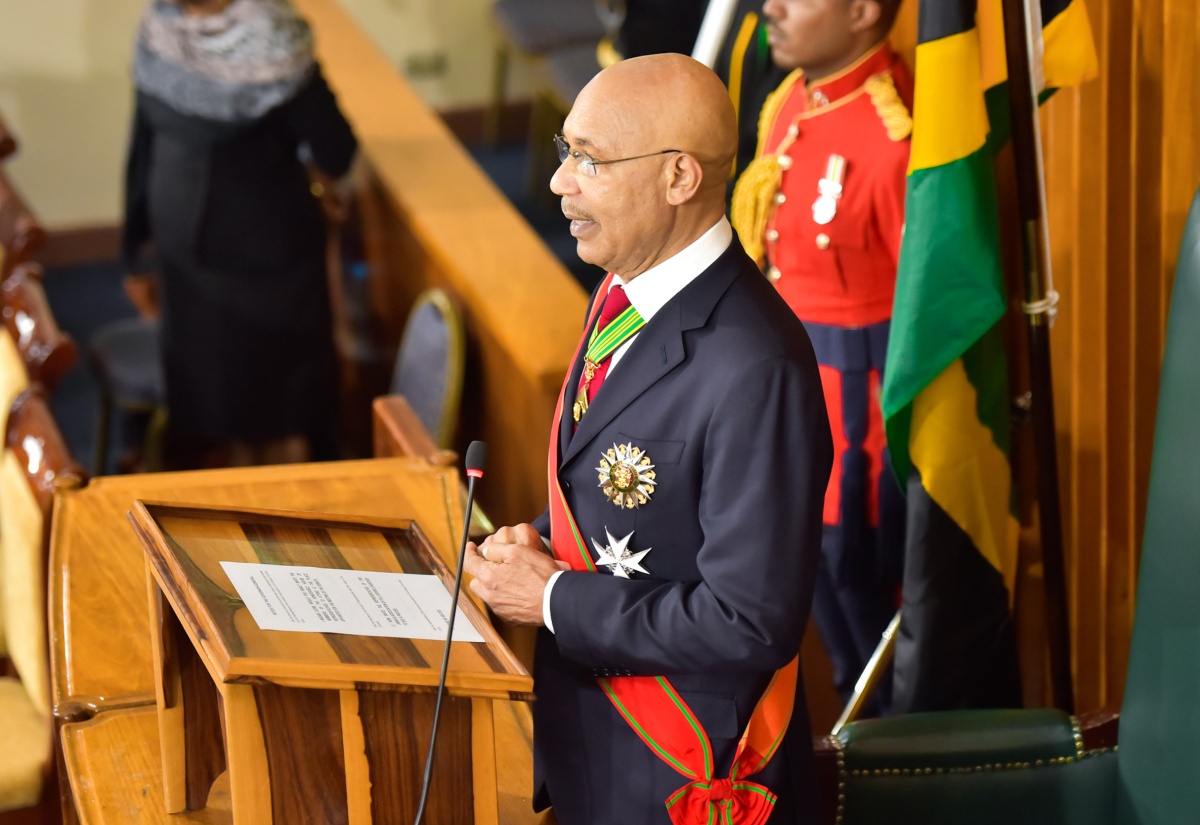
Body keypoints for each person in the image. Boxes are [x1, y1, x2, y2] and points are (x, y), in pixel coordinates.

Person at [463, 53, 833, 825]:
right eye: (567, 152)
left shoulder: (755, 364)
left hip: (684, 772)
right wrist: (530, 543)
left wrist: (553, 597)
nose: (561, 182)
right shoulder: (627, 288)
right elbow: (610, 486)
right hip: (596, 746)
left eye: (590, 161)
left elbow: (750, 621)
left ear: (679, 179)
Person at [730, 0, 910, 712]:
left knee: (862, 589)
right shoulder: (792, 102)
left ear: (863, 11)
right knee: (815, 591)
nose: (768, 7)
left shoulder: (896, 136)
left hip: (860, 425)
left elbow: (919, 317)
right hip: (789, 403)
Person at [122, 0, 357, 468]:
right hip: (269, 253)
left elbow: (140, 152)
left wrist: (134, 253)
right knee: (280, 397)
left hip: (179, 236)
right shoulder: (276, 42)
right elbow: (336, 149)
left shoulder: (158, 33)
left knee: (219, 384)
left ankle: (234, 475)